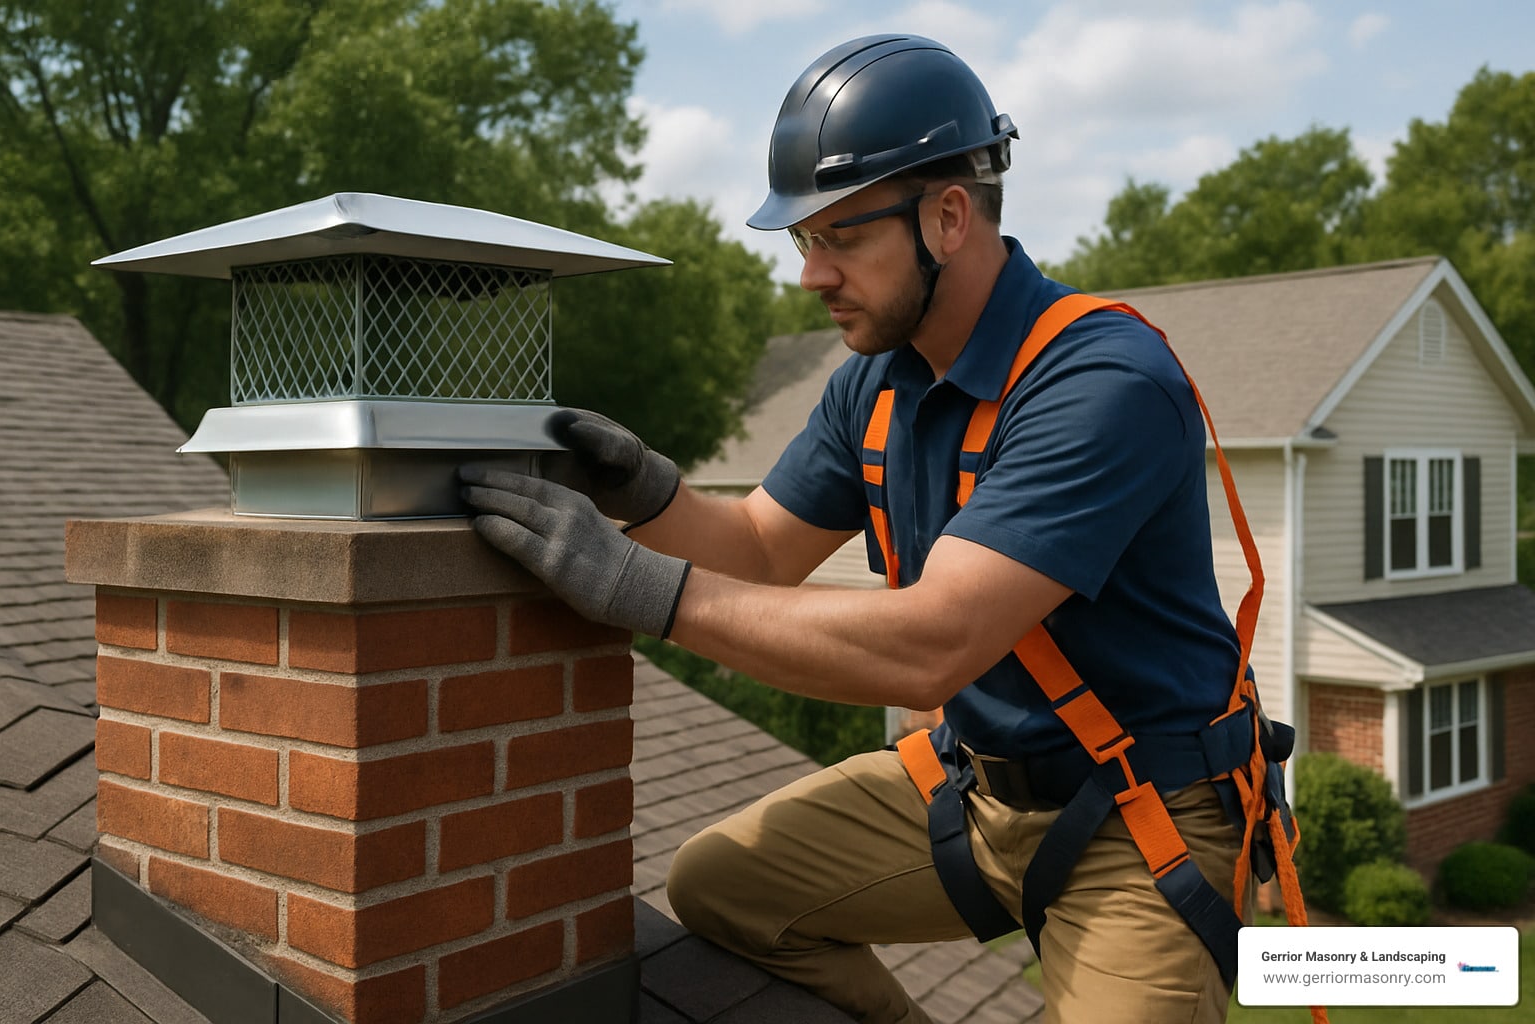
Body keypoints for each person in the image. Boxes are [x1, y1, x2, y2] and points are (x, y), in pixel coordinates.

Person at [461, 34, 1305, 1024]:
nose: (811, 276)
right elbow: (760, 550)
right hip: (976, 789)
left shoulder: (1101, 382)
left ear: (947, 217)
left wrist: (636, 588)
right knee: (720, 886)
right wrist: (647, 495)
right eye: (802, 241)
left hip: (1139, 815)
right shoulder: (875, 383)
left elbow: (933, 644)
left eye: (839, 238)